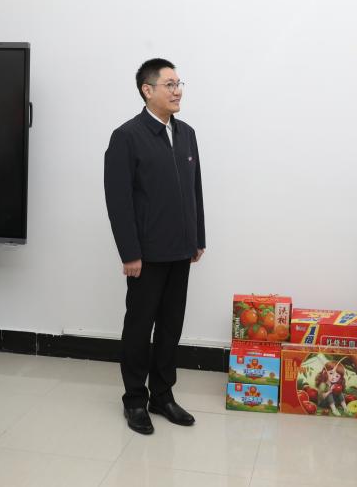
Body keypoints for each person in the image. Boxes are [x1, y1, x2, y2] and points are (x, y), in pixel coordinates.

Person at [104, 58, 205, 435]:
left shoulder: (187, 134)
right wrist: (129, 252)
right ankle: (134, 399)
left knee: (171, 325)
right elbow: (118, 201)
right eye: (170, 84)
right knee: (139, 326)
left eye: (180, 84)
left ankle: (162, 394)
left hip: (181, 250)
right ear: (148, 91)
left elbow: (195, 190)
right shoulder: (127, 136)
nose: (178, 91)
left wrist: (198, 237)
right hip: (146, 255)